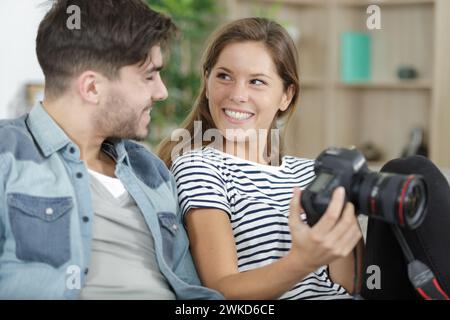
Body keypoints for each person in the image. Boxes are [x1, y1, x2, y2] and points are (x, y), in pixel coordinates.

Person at [0, 0, 222, 300]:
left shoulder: (149, 169)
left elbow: (192, 290)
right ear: (92, 88)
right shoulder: (7, 155)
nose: (161, 91)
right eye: (149, 76)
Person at [158, 17, 364, 300]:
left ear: (286, 96)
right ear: (207, 82)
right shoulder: (200, 167)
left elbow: (347, 286)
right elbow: (222, 290)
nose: (238, 94)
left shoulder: (311, 173)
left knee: (413, 173)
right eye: (224, 76)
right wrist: (302, 261)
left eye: (256, 82)